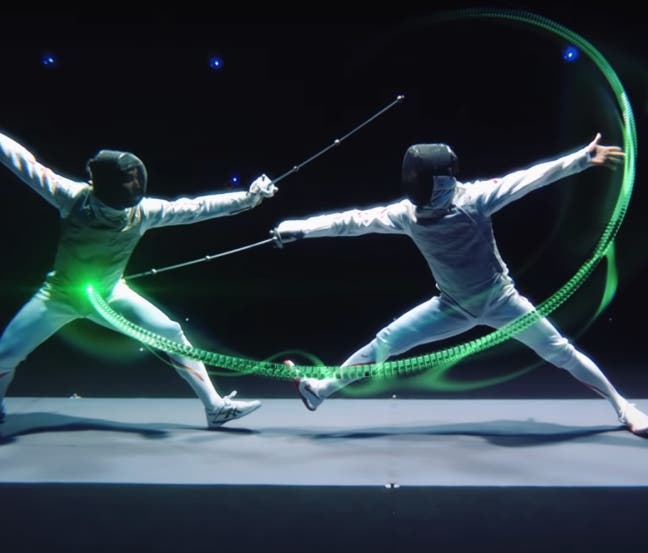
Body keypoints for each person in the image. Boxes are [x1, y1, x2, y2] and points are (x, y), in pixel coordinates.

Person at [273, 133, 648, 437]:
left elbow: (530, 179)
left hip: (502, 301)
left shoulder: (475, 200)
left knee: (560, 352)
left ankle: (624, 407)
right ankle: (319, 391)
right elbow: (352, 222)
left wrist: (581, 159)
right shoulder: (406, 215)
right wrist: (300, 229)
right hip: (452, 306)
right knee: (385, 341)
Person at [0, 129, 276, 428]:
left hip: (110, 295)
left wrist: (249, 198)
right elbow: (20, 161)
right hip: (58, 295)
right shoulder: (71, 196)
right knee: (4, 356)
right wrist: (248, 198)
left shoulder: (142, 211)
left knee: (171, 333)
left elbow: (197, 208)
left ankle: (216, 407)